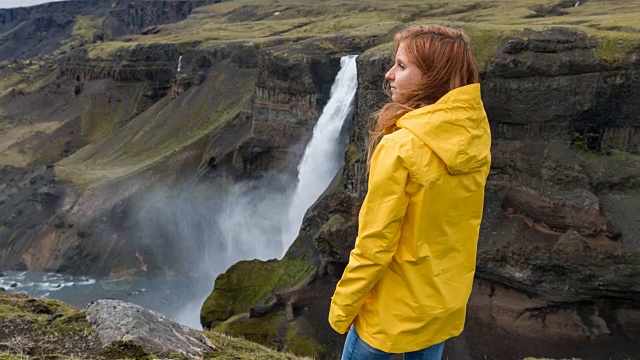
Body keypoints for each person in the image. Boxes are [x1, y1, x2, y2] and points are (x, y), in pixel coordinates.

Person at [328, 24, 492, 360]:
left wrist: (342, 306)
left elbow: (375, 243)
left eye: (401, 66)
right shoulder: (476, 134)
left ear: (432, 77)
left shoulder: (401, 147)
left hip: (392, 307)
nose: (389, 74)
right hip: (442, 301)